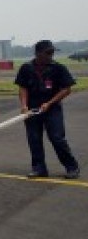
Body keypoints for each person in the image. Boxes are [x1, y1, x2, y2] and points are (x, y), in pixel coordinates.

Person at [14, 40, 80, 179]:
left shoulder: (58, 68)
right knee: (34, 139)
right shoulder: (26, 68)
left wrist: (49, 103)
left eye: (52, 52)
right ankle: (39, 169)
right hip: (32, 109)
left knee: (57, 138)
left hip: (52, 109)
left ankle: (72, 167)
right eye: (48, 52)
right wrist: (24, 106)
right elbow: (23, 87)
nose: (51, 55)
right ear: (38, 53)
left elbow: (66, 89)